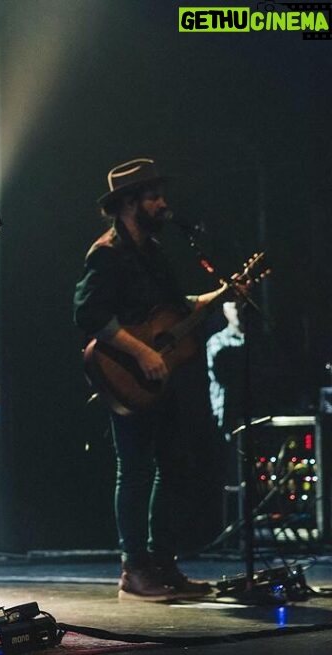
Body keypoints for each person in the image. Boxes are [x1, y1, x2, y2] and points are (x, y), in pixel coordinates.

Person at [73, 158, 224, 601]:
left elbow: (175, 307)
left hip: (163, 379)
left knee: (174, 468)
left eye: (161, 195)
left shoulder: (154, 253)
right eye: (153, 196)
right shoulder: (107, 253)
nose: (163, 203)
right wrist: (140, 351)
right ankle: (133, 568)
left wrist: (220, 295)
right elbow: (88, 313)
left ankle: (163, 563)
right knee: (135, 471)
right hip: (126, 377)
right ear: (127, 204)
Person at [207, 301, 247, 438]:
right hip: (225, 412)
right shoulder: (217, 341)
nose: (236, 311)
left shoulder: (255, 340)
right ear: (225, 312)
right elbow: (219, 375)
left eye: (238, 306)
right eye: (231, 307)